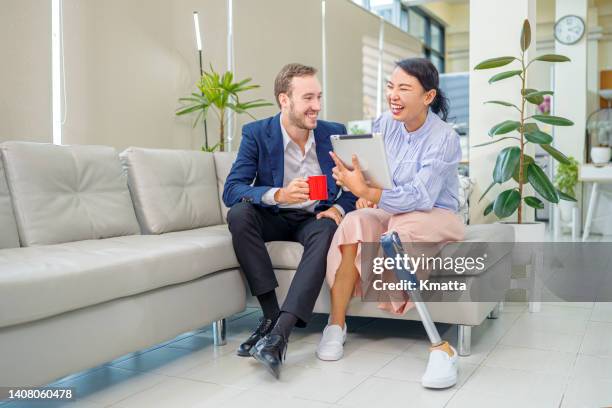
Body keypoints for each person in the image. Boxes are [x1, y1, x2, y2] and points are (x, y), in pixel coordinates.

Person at [316, 58, 465, 389]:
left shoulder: (444, 138)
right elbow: (376, 173)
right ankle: (335, 325)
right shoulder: (384, 123)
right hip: (391, 207)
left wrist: (370, 191)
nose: (393, 95)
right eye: (390, 86)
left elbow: (421, 196)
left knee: (398, 234)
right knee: (354, 223)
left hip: (436, 213)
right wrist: (361, 188)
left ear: (428, 97)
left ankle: (439, 348)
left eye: (404, 88)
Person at [223, 63, 357, 379]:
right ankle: (271, 317)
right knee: (239, 213)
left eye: (319, 97)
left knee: (327, 228)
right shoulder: (257, 134)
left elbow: (354, 185)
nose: (317, 106)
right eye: (308, 97)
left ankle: (280, 333)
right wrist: (278, 194)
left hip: (314, 217)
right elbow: (233, 189)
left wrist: (339, 209)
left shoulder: (333, 133)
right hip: (274, 215)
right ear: (285, 100)